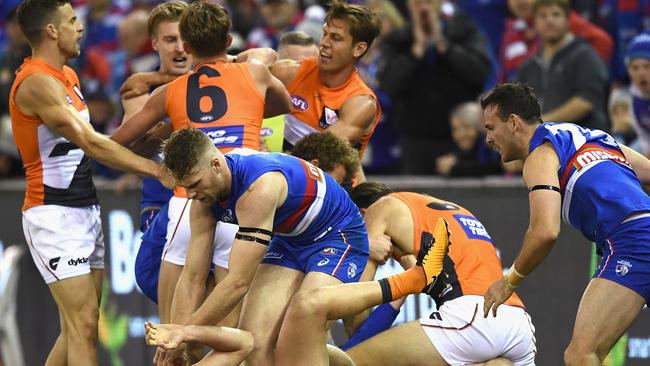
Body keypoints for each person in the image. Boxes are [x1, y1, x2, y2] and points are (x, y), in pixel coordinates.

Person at [110, 4, 291, 362]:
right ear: (228, 39)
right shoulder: (254, 71)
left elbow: (121, 139)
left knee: (183, 289)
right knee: (233, 306)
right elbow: (282, 103)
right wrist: (248, 108)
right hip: (244, 187)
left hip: (190, 194)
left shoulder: (172, 91)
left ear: (187, 47)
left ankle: (171, 351)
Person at [9, 1, 171, 365]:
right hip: (52, 214)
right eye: (71, 21)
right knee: (83, 326)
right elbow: (93, 143)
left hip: (86, 208)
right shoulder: (37, 83)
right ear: (51, 31)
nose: (79, 27)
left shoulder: (68, 75)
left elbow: (97, 143)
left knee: (79, 325)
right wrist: (155, 170)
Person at [160, 127, 370, 365]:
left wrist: (185, 335)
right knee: (255, 345)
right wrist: (175, 335)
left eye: (195, 183)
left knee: (298, 334)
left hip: (338, 235)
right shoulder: (202, 201)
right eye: (184, 186)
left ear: (216, 165)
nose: (189, 194)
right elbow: (191, 277)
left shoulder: (257, 189)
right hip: (291, 239)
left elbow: (237, 284)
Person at [273, 182, 536, 366]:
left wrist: (372, 251)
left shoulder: (380, 209)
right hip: (519, 328)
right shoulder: (443, 209)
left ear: (362, 214)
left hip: (472, 320)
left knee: (342, 361)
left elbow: (352, 309)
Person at [481, 83, 650, 366]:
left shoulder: (540, 156)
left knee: (581, 355)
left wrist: (509, 281)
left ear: (513, 123)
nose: (487, 139)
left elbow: (545, 231)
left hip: (631, 242)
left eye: (490, 127)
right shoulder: (590, 136)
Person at [270, 0, 382, 181]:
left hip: (332, 190)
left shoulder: (361, 103)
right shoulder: (292, 72)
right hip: (289, 178)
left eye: (336, 38)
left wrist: (265, 161)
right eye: (325, 34)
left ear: (359, 48)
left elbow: (320, 153)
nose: (324, 43)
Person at [515, 0, 609, 131]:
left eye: (556, 14)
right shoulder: (529, 65)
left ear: (568, 20)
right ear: (535, 23)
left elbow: (586, 102)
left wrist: (542, 122)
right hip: (545, 142)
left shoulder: (585, 56)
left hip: (584, 141)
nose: (550, 21)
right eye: (543, 16)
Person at [625, 31, 650, 157]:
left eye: (647, 66)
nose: (641, 73)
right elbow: (645, 140)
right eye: (635, 68)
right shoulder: (634, 98)